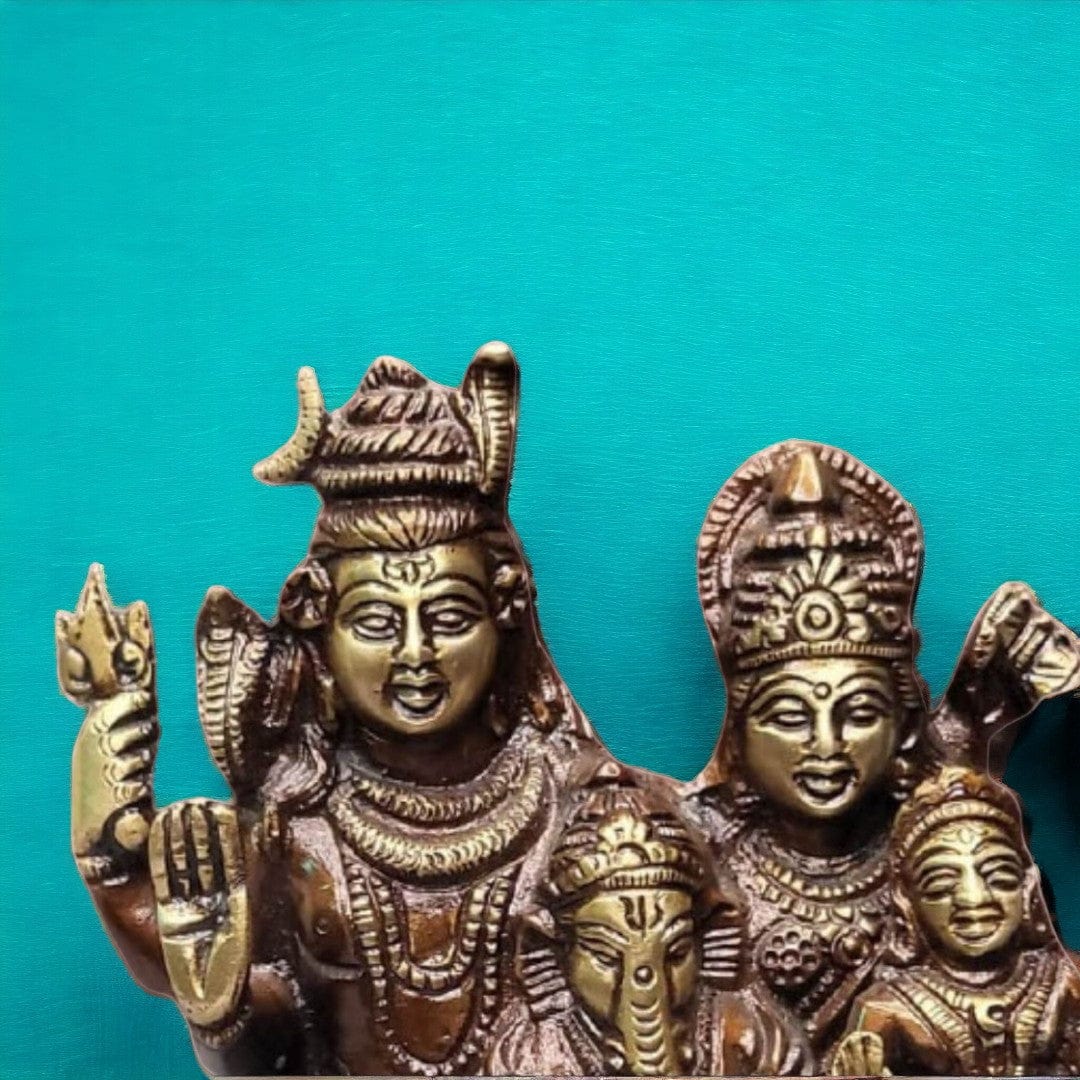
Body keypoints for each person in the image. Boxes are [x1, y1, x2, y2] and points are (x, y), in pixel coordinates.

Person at [58, 343, 608, 1075]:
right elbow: (265, 1041)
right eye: (376, 622)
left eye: (449, 617)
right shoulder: (294, 823)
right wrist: (123, 879)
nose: (416, 653)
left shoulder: (591, 809)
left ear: (503, 612)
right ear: (319, 625)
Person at [680, 439, 1080, 1064]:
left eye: (861, 714)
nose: (827, 746)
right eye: (790, 716)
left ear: (903, 724)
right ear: (740, 729)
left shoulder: (954, 846)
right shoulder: (690, 860)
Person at [487, 777, 809, 1076]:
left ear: (710, 942)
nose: (647, 987)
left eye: (677, 954)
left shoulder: (750, 1037)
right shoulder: (527, 1058)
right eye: (606, 957)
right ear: (549, 953)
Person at [831, 767, 1080, 1076]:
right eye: (941, 884)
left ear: (1028, 887)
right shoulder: (887, 1009)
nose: (974, 899)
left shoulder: (1066, 981)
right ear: (907, 903)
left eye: (999, 876)